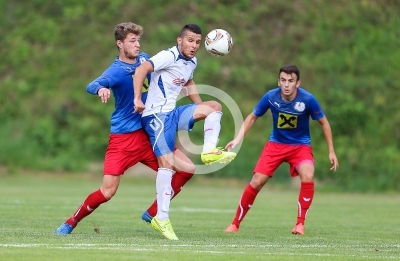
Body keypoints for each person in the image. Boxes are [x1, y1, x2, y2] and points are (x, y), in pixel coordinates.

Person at [55, 22, 195, 235]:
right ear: (120, 44)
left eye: (138, 40)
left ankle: (153, 213)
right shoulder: (116, 71)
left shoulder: (144, 59)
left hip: (149, 133)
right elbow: (91, 85)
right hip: (124, 139)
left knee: (186, 169)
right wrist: (101, 88)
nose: (137, 45)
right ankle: (71, 222)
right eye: (132, 41)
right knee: (107, 191)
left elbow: (163, 74)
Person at [133, 24, 236, 240]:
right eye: (190, 40)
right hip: (156, 116)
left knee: (214, 107)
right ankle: (161, 218)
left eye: (198, 42)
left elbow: (187, 82)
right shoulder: (167, 56)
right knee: (167, 165)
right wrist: (137, 99)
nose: (194, 45)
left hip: (173, 112)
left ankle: (208, 151)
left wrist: (201, 109)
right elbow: (142, 70)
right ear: (179, 40)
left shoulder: (192, 61)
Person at [224, 64, 339, 235]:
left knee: (308, 174)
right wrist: (238, 138)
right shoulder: (271, 97)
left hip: (300, 147)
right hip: (275, 146)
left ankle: (300, 224)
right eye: (283, 80)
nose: (286, 84)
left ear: (297, 83)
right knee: (256, 182)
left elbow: (324, 123)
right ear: (279, 81)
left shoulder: (307, 99)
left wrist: (331, 150)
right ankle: (235, 224)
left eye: (291, 81)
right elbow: (252, 117)